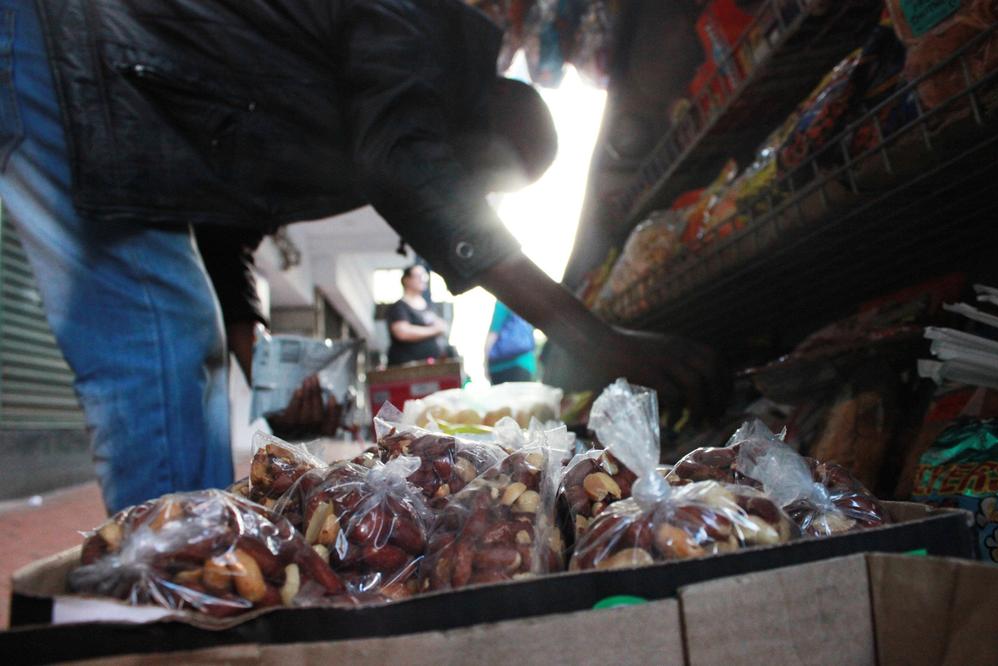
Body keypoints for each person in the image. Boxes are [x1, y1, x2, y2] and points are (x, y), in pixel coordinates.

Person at [0, 0, 725, 513]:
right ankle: (168, 603)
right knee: (163, 331)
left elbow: (226, 234)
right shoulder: (414, 24)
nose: (474, 194)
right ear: (478, 120)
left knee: (180, 331)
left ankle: (189, 574)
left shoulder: (356, 111)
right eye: (488, 177)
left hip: (91, 69)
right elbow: (408, 168)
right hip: (68, 45)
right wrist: (594, 338)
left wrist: (272, 382)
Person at [386, 265, 449, 366]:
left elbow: (441, 325)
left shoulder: (428, 306)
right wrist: (434, 330)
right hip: (407, 367)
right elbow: (402, 332)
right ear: (406, 280)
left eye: (424, 276)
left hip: (431, 365)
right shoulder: (399, 307)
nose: (423, 279)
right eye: (418, 276)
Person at [485, 301, 537, 384]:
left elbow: (493, 334)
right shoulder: (530, 303)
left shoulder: (503, 302)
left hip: (501, 366)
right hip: (524, 363)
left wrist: (485, 363)